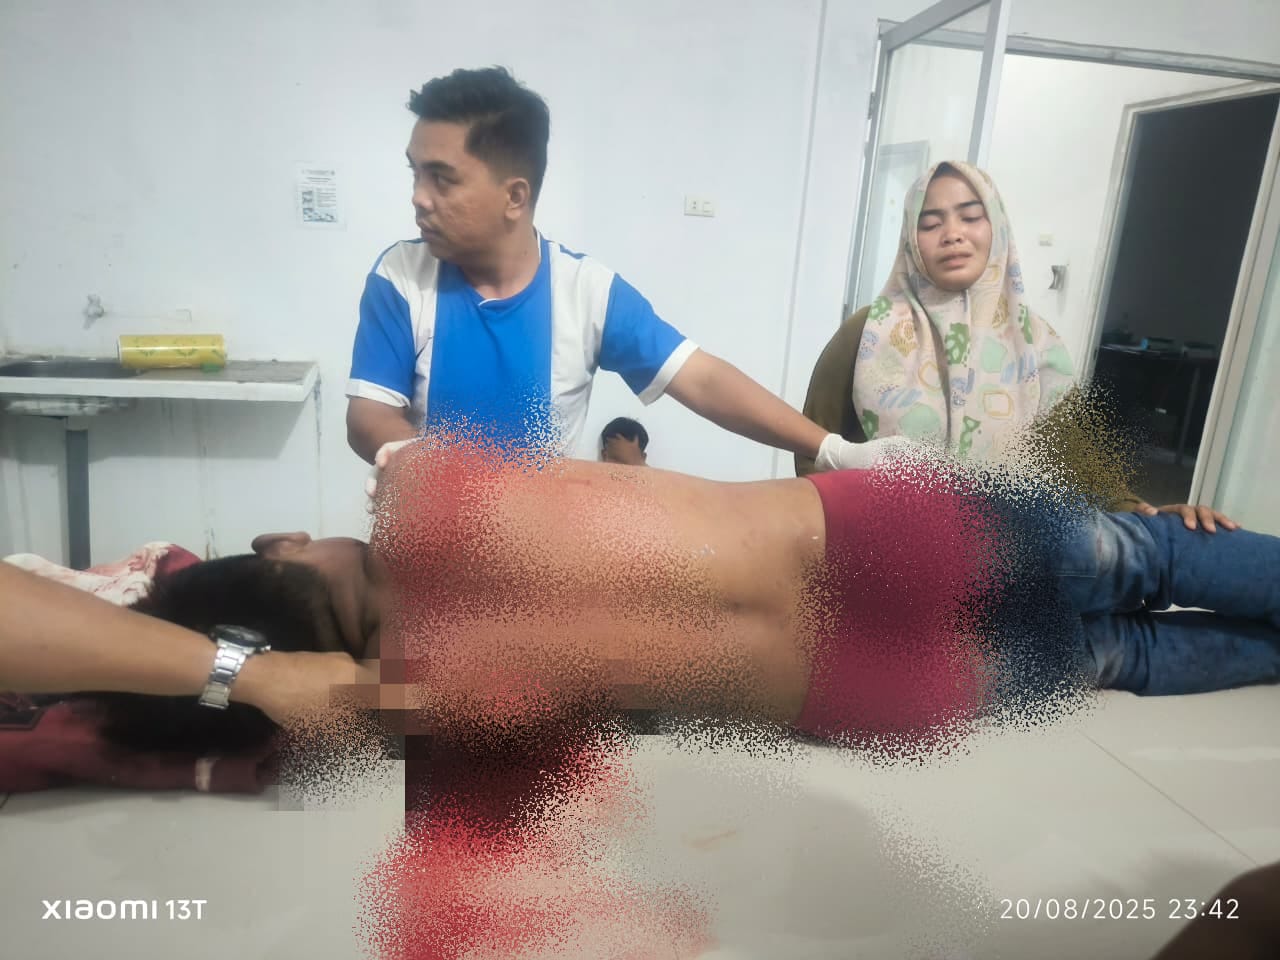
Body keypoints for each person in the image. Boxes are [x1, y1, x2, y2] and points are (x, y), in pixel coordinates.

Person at [344, 66, 887, 487]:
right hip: (421, 552)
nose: (419, 197)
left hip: (536, 558)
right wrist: (416, 463)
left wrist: (832, 448)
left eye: (441, 179)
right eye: (415, 173)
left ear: (515, 196)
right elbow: (369, 414)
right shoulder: (402, 276)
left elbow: (701, 379)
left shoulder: (586, 292)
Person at [797, 160, 1235, 534]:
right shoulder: (868, 331)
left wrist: (1149, 516)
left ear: (997, 227)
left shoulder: (1038, 343)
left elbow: (1076, 462)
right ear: (911, 240)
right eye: (930, 224)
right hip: (880, 556)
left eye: (971, 217)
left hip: (1001, 567)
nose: (952, 234)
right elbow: (814, 449)